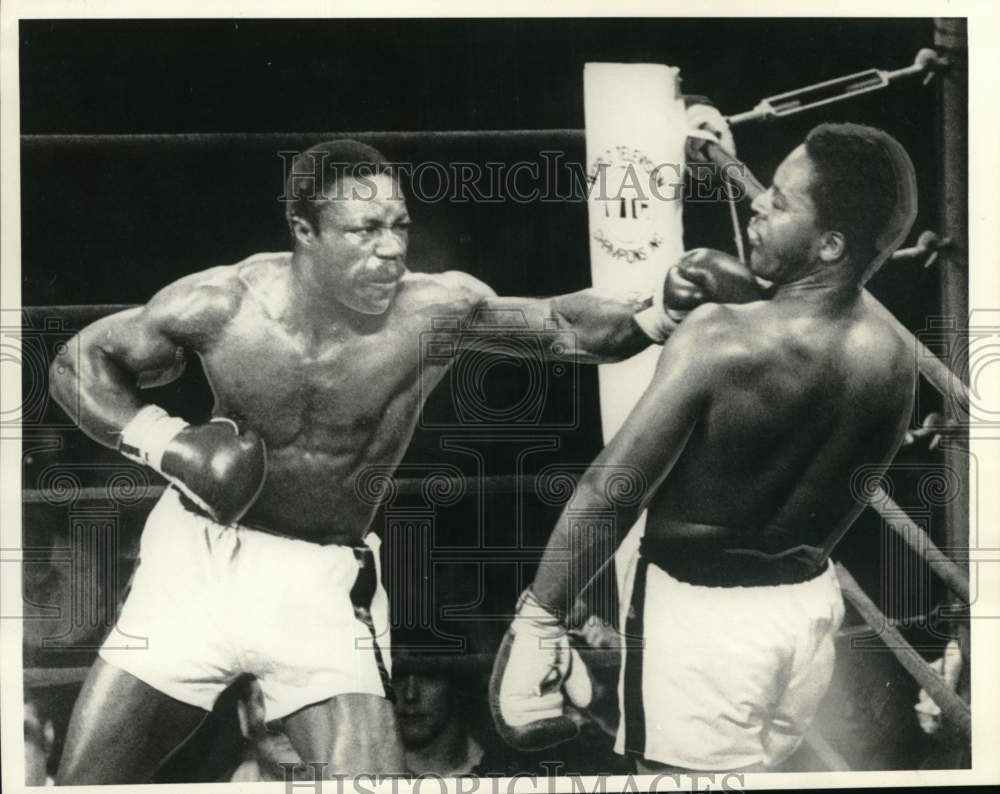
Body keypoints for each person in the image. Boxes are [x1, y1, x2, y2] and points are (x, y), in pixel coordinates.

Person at [48, 112, 758, 782]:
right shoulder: (222, 304)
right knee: (85, 784)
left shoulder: (433, 312)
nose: (390, 249)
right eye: (363, 230)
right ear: (304, 229)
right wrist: (164, 442)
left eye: (399, 227)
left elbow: (561, 326)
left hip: (318, 584)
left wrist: (661, 313)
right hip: (193, 566)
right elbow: (78, 362)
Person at [491, 123, 919, 773]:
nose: (755, 205)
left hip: (699, 626)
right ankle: (612, 692)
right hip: (805, 619)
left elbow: (613, 491)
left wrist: (539, 619)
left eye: (779, 202)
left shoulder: (721, 339)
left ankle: (612, 689)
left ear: (830, 244)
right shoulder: (895, 358)